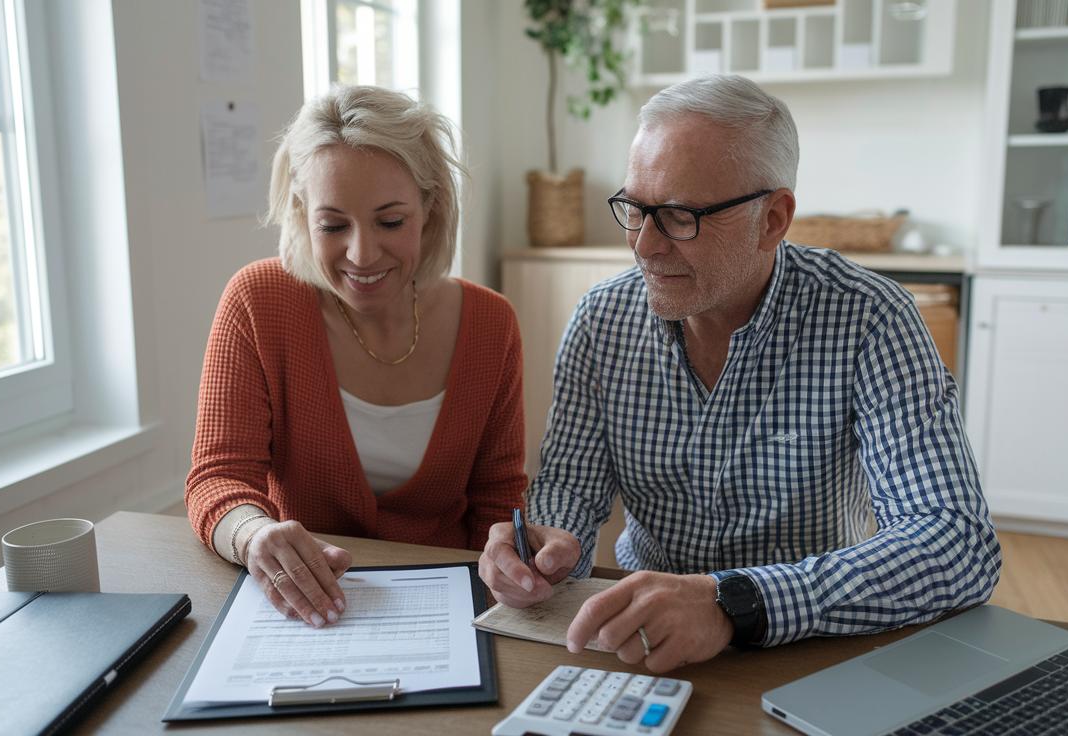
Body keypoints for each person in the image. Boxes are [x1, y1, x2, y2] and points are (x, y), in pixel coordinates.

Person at [479, 75, 1002, 673]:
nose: (644, 245)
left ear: (774, 219)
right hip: (642, 636)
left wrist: (734, 603)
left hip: (819, 640)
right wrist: (545, 549)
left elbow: (957, 544)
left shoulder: (871, 318)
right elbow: (571, 485)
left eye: (678, 216)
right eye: (635, 208)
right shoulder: (603, 318)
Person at [187, 86, 526, 629]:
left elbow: (498, 500)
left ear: (431, 205)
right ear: (301, 213)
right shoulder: (258, 301)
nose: (362, 255)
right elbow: (218, 477)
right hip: (303, 606)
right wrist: (253, 536)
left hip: (449, 613)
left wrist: (508, 560)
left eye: (390, 222)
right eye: (333, 225)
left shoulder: (491, 323)